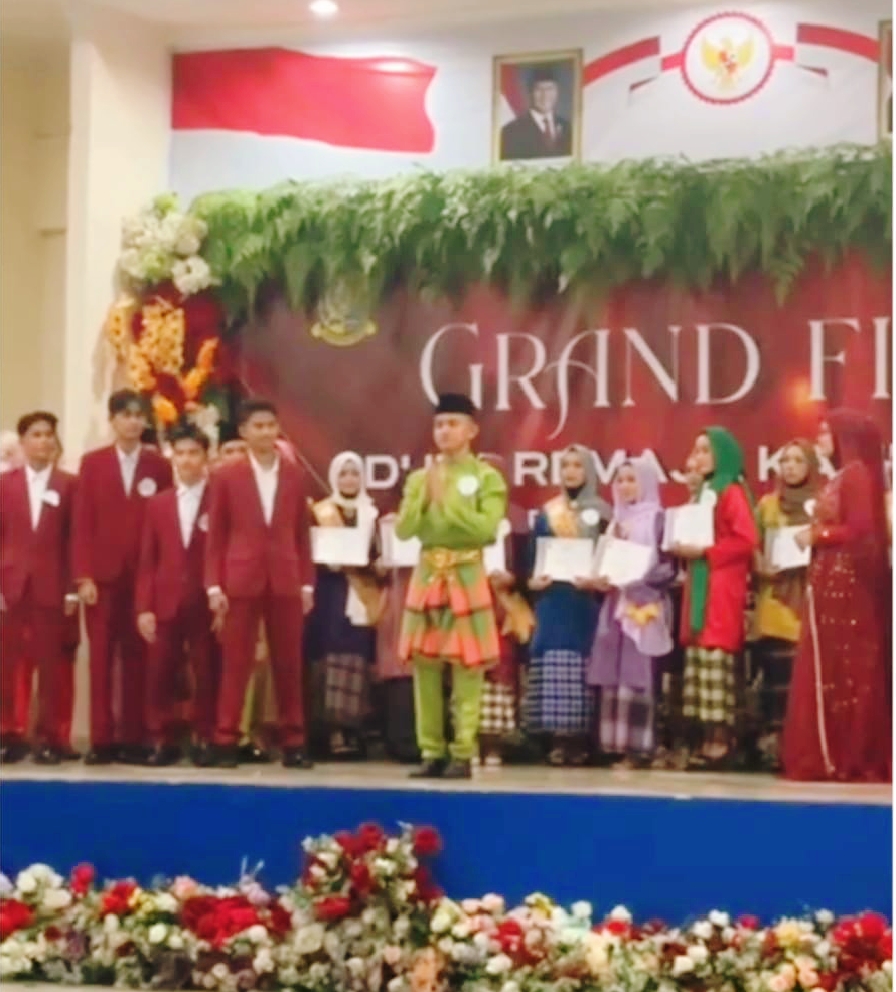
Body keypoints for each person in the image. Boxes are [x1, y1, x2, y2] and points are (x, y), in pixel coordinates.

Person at [395, 393, 507, 780]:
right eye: (439, 424)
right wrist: (424, 499)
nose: (444, 431)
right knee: (424, 665)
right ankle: (431, 750)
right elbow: (404, 529)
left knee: (467, 665)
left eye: (453, 424)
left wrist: (450, 505)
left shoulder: (487, 478)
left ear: (472, 430)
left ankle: (463, 750)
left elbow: (486, 530)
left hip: (466, 571)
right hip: (428, 571)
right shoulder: (419, 478)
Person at [205, 398, 315, 769]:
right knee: (235, 662)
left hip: (285, 578)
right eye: (258, 426)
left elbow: (302, 534)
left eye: (271, 426)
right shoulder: (226, 476)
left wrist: (307, 584)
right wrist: (214, 586)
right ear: (244, 432)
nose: (266, 432)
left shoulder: (294, 474)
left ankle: (294, 741)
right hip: (240, 579)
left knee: (289, 663)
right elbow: (216, 535)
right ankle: (225, 738)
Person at [782, 411, 892, 783]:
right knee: (831, 669)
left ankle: (847, 755)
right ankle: (833, 752)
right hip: (831, 583)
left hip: (848, 588)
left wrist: (818, 536)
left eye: (827, 432)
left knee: (846, 670)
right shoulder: (843, 475)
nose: (820, 438)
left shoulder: (857, 474)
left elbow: (861, 531)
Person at [72, 389, 174, 764]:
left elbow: (166, 523)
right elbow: (82, 523)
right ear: (112, 420)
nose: (133, 422)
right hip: (101, 579)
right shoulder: (93, 463)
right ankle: (101, 739)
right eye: (126, 415)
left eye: (138, 415)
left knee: (138, 659)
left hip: (143, 579)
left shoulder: (159, 466)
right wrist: (83, 575)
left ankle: (133, 736)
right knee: (100, 658)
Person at [676, 428, 757, 771]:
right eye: (696, 450)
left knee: (715, 658)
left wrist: (707, 553)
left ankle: (722, 743)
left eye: (706, 450)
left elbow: (746, 539)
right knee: (700, 661)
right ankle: (706, 740)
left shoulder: (731, 491)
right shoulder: (704, 493)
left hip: (721, 586)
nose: (699, 457)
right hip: (700, 581)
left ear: (722, 455)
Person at [136, 424, 217, 766]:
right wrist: (144, 607)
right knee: (159, 673)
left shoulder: (219, 499)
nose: (186, 460)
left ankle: (205, 737)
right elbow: (147, 560)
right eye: (180, 453)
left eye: (193, 453)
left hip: (205, 600)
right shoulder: (158, 504)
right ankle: (161, 738)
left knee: (206, 671)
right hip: (165, 600)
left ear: (206, 457)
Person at [587, 455, 675, 769]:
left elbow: (668, 568)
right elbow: (603, 563)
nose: (624, 486)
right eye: (620, 480)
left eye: (631, 480)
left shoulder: (658, 520)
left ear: (646, 483)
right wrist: (599, 579)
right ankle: (615, 744)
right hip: (615, 606)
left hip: (643, 607)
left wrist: (639, 583)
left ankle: (638, 749)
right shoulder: (615, 523)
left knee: (638, 674)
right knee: (614, 673)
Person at [0, 412, 78, 764]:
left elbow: (77, 539)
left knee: (52, 667)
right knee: (8, 664)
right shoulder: (5, 484)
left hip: (53, 586)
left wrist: (72, 588)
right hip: (11, 586)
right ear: (23, 441)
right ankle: (8, 734)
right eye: (36, 434)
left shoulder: (69, 484)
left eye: (49, 434)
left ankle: (50, 737)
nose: (43, 441)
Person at [526, 444, 606, 767]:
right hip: (553, 599)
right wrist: (533, 581)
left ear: (589, 471)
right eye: (566, 466)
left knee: (581, 664)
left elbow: (610, 556)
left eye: (577, 465)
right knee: (554, 662)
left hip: (584, 601)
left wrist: (599, 580)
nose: (571, 472)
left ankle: (580, 742)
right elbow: (533, 557)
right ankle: (557, 740)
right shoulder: (548, 513)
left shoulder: (603, 513)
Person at [306, 451, 382, 760]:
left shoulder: (373, 513)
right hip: (331, 594)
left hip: (362, 593)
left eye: (354, 473)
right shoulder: (320, 512)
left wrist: (379, 565)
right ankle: (331, 732)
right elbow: (308, 551)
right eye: (343, 474)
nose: (349, 479)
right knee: (330, 654)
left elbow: (380, 553)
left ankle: (354, 730)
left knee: (357, 657)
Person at [751, 439, 820, 770]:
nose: (790, 467)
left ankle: (800, 749)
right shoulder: (767, 505)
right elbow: (752, 544)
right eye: (785, 461)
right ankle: (773, 748)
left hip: (807, 600)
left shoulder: (821, 505)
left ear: (810, 466)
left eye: (797, 460)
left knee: (801, 685)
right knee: (775, 681)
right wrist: (759, 564)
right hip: (774, 599)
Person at [500, 66, 573, 161]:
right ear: (530, 93)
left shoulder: (567, 127)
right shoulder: (511, 131)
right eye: (539, 89)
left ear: (557, 92)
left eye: (550, 89)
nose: (545, 95)